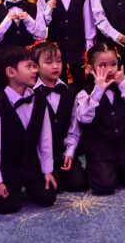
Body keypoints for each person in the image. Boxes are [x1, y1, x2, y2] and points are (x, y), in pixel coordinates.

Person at [0, 46, 57, 214]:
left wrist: (47, 170)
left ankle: (31, 184)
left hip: (31, 165)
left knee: (48, 197)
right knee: (7, 206)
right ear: (11, 72)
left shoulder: (39, 99)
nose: (35, 70)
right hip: (8, 168)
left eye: (34, 66)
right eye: (29, 66)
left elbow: (45, 139)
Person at [76, 41, 125, 195]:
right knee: (104, 187)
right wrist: (98, 91)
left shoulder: (123, 87)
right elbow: (84, 118)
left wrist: (124, 84)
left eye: (113, 64)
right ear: (90, 69)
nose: (110, 69)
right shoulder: (85, 94)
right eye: (102, 65)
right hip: (101, 152)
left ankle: (119, 171)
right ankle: (100, 169)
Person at [30, 41, 86, 192]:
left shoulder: (70, 92)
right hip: (41, 155)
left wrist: (70, 153)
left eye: (59, 61)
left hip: (63, 152)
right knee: (51, 190)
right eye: (49, 62)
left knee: (78, 183)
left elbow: (74, 129)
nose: (55, 66)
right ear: (36, 66)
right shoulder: (31, 94)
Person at [36, 0, 96, 87]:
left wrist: (89, 46)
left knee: (81, 82)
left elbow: (88, 21)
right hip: (55, 50)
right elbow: (41, 24)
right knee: (58, 83)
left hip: (78, 48)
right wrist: (49, 9)